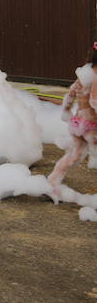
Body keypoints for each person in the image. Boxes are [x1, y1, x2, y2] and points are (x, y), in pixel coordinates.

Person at [47, 44, 97, 194]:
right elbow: (94, 101)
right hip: (92, 125)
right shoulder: (96, 76)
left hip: (77, 123)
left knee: (74, 155)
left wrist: (66, 111)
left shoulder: (83, 75)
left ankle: (52, 182)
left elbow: (70, 96)